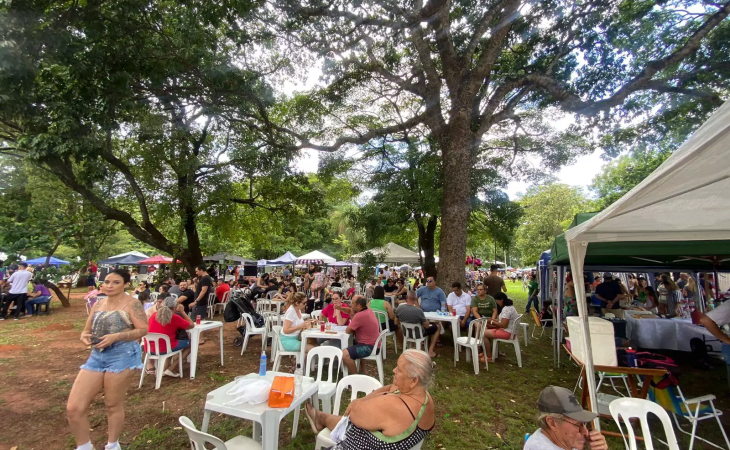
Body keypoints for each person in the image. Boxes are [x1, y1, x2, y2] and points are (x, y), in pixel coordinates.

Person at [66, 269, 148, 450]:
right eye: (106, 282)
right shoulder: (98, 304)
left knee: (112, 404)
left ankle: (112, 445)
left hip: (123, 355)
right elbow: (86, 329)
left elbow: (143, 330)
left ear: (126, 284)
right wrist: (84, 336)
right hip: (96, 355)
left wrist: (116, 336)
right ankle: (84, 446)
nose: (109, 285)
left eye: (116, 282)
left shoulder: (132, 304)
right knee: (74, 408)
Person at [304, 350, 435, 450]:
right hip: (371, 436)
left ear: (413, 381)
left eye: (399, 370)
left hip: (354, 445)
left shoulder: (395, 407)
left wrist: (357, 403)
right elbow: (391, 387)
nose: (394, 370)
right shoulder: (425, 398)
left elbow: (354, 413)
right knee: (346, 421)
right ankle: (321, 418)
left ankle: (320, 418)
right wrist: (368, 399)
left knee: (350, 421)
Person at [524, 386, 608, 450]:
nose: (585, 432)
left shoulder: (550, 438)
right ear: (552, 423)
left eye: (584, 424)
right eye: (578, 425)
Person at [147, 294, 194, 377]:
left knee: (170, 344)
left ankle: (163, 370)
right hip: (165, 347)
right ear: (175, 307)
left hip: (150, 348)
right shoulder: (174, 317)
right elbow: (191, 325)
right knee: (191, 344)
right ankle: (171, 368)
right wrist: (182, 312)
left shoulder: (154, 315)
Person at [342, 296, 381, 375]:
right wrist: (340, 308)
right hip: (374, 343)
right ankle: (364, 371)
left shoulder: (360, 315)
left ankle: (356, 378)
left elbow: (348, 331)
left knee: (345, 354)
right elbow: (351, 311)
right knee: (352, 342)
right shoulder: (367, 309)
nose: (351, 305)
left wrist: (352, 319)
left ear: (359, 306)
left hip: (370, 347)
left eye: (352, 303)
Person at [396, 291, 439, 357]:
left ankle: (412, 347)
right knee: (438, 326)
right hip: (419, 334)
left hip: (406, 332)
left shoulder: (399, 308)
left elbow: (396, 322)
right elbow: (427, 326)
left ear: (407, 297)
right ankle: (430, 351)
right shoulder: (418, 311)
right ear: (416, 298)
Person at [482, 294, 519, 363]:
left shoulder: (506, 309)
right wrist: (492, 320)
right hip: (510, 331)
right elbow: (502, 321)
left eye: (497, 301)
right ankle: (493, 352)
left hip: (508, 332)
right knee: (487, 330)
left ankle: (489, 356)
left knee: (483, 334)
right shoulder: (510, 307)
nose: (497, 303)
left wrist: (492, 321)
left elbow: (503, 325)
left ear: (502, 300)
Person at [280, 292, 316, 357]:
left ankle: (299, 364)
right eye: (304, 303)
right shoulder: (291, 311)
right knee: (313, 350)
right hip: (288, 341)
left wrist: (310, 321)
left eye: (306, 302)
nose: (306, 304)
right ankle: (300, 364)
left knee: (313, 349)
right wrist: (301, 326)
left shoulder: (298, 309)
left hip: (295, 339)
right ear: (297, 303)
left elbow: (297, 323)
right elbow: (286, 330)